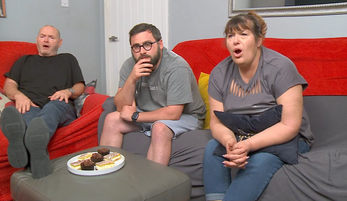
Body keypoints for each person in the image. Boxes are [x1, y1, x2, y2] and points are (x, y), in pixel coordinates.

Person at [202, 11, 314, 201]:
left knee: (261, 159)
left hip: (284, 136)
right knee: (213, 147)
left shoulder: (281, 67)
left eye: (243, 34)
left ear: (259, 40)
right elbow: (216, 122)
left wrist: (248, 145)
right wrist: (230, 141)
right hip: (242, 132)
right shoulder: (219, 74)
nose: (235, 41)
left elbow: (290, 125)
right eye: (230, 36)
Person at [99, 23, 205, 165]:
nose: (142, 51)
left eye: (147, 44)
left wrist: (135, 116)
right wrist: (132, 79)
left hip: (187, 116)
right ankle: (105, 173)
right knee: (112, 119)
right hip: (149, 111)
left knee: (159, 127)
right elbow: (120, 105)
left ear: (160, 44)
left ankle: (152, 183)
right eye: (136, 47)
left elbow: (174, 113)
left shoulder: (177, 67)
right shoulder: (130, 65)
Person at [0, 25, 85, 179]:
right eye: (42, 36)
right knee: (27, 113)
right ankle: (38, 160)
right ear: (37, 40)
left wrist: (68, 91)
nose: (46, 40)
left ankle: (25, 146)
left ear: (59, 42)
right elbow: (9, 85)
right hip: (30, 104)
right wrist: (19, 96)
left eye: (51, 37)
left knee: (52, 108)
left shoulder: (68, 59)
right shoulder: (24, 61)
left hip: (59, 104)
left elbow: (80, 85)